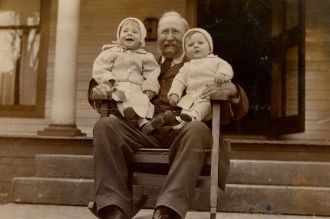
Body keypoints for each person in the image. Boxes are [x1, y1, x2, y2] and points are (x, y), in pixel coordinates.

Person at [88, 11, 248, 219]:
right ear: (157, 36)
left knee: (197, 129)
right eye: (165, 32)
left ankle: (168, 210)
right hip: (144, 129)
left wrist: (233, 90)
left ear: (186, 37)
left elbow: (239, 104)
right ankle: (113, 207)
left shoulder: (201, 64)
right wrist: (96, 88)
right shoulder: (142, 61)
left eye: (176, 32)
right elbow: (112, 75)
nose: (169, 37)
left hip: (181, 130)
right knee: (105, 126)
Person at [92, 17, 160, 129]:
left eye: (134, 32)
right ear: (119, 35)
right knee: (120, 97)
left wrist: (150, 87)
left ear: (141, 38)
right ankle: (127, 120)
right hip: (117, 85)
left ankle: (142, 122)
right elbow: (101, 68)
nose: (130, 34)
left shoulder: (145, 56)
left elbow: (152, 72)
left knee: (142, 100)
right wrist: (109, 79)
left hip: (137, 88)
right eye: (125, 31)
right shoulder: (112, 52)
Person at [167, 28, 234, 123]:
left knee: (202, 105)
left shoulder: (216, 61)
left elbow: (226, 67)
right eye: (191, 45)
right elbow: (179, 81)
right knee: (185, 107)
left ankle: (193, 117)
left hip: (209, 96)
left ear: (210, 48)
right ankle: (179, 123)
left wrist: (222, 74)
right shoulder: (186, 67)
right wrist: (174, 93)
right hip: (192, 97)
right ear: (186, 52)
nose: (196, 46)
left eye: (200, 43)